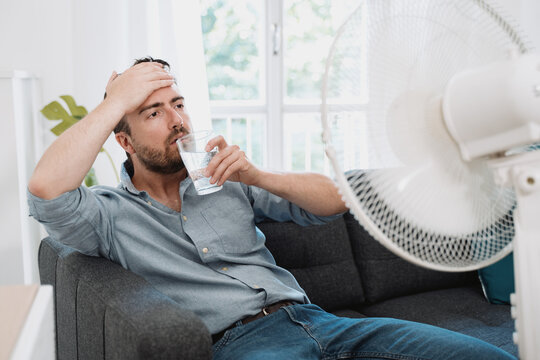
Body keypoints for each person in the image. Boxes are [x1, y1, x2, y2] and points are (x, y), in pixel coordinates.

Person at [27, 57, 515, 360]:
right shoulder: (109, 215)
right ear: (123, 138)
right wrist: (116, 99)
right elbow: (46, 188)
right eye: (153, 112)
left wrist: (255, 175)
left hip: (322, 322)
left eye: (179, 104)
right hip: (243, 345)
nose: (177, 120)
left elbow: (333, 202)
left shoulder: (226, 179)